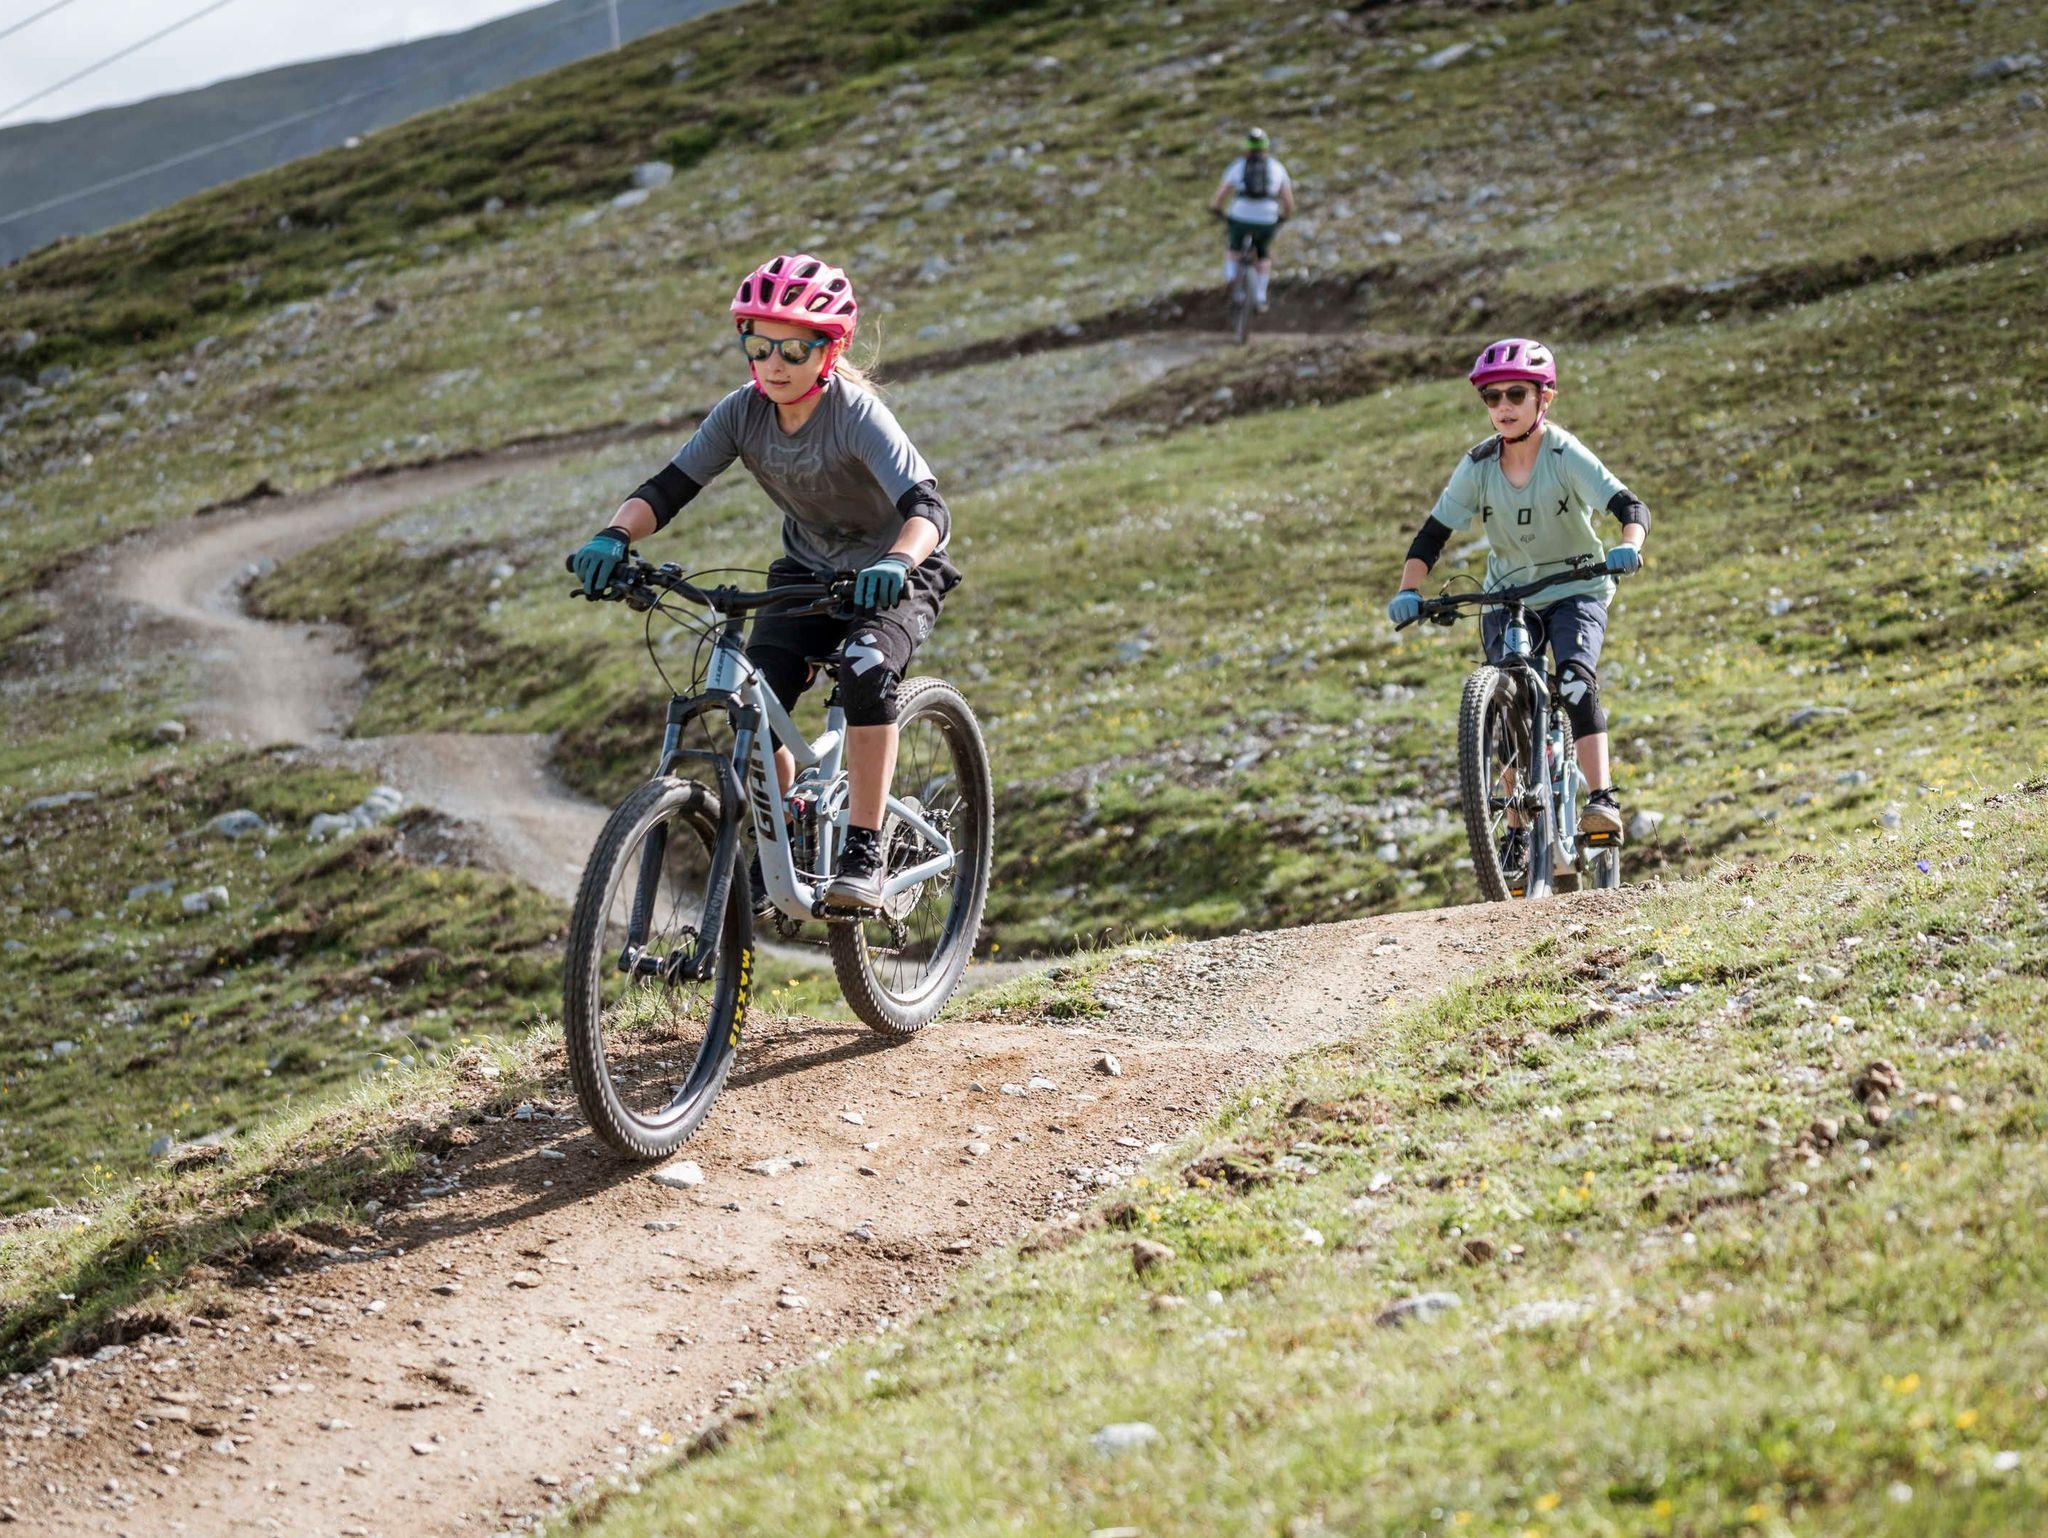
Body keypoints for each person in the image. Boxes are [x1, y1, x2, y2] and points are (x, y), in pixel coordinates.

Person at [567, 253, 959, 913]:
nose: (774, 363)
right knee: (752, 699)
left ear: (829, 349)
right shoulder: (741, 414)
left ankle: (863, 847)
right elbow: (668, 488)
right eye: (759, 344)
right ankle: (788, 838)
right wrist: (614, 536)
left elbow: (929, 509)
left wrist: (895, 563)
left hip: (901, 568)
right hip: (807, 573)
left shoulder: (857, 415)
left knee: (865, 670)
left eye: (794, 348)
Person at [1387, 338, 1650, 856]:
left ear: (1543, 399)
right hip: (1508, 596)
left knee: (1574, 681)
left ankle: (1602, 800)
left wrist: (1628, 545)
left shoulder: (1563, 453)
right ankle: (1515, 830)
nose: (1502, 407)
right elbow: (1432, 535)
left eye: (1515, 394)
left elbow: (1629, 506)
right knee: (1504, 703)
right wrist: (1408, 589)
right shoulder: (1479, 465)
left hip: (1576, 586)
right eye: (1492, 397)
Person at [1207, 127, 1295, 314]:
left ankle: (1232, 280)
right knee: (1262, 254)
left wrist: (1216, 209)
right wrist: (1283, 217)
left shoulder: (1237, 166)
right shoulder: (1277, 167)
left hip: (1240, 217)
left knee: (1234, 249)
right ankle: (1260, 296)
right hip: (1267, 218)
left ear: (1246, 147)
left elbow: (1220, 196)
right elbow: (1288, 202)